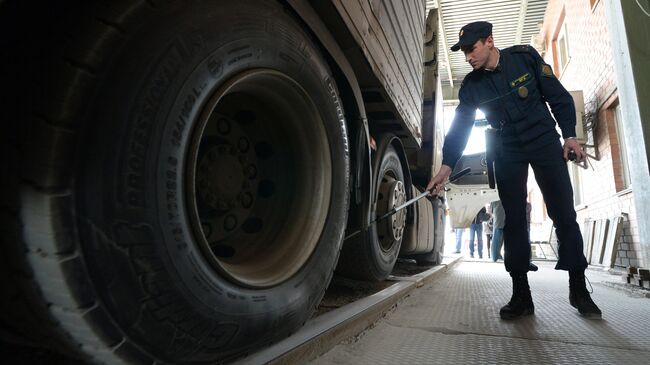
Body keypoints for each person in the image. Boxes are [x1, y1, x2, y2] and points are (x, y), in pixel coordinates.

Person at [426, 21, 601, 319]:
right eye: (464, 52)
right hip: (506, 148)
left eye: (472, 49)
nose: (468, 56)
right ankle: (521, 294)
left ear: (490, 41)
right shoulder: (471, 87)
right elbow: (459, 129)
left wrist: (569, 135)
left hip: (543, 140)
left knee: (563, 213)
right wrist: (446, 166)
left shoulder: (525, 57)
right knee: (514, 220)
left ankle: (578, 289)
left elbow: (557, 97)